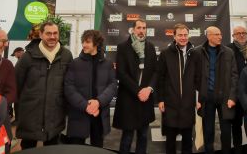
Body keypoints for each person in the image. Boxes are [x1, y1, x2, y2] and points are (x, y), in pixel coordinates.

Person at [15, 21, 73, 149]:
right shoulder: (27, 57)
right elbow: (16, 84)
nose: (52, 36)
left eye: (55, 33)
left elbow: (70, 85)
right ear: (41, 34)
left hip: (55, 115)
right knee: (28, 148)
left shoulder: (66, 56)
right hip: (30, 115)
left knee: (52, 148)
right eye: (48, 33)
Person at [64, 30, 117, 147]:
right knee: (76, 148)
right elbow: (69, 87)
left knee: (97, 147)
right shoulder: (74, 63)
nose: (84, 45)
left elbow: (112, 85)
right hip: (79, 113)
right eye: (83, 41)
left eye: (87, 42)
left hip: (99, 114)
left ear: (97, 44)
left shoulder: (108, 64)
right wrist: (86, 105)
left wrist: (98, 102)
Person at [113, 19, 158, 154]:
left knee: (143, 136)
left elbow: (156, 71)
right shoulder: (122, 47)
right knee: (127, 136)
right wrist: (139, 91)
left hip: (146, 99)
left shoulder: (150, 47)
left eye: (144, 28)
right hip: (129, 98)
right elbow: (121, 73)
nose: (141, 31)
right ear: (133, 30)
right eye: (139, 28)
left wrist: (148, 89)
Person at [157, 24, 200, 154]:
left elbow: (199, 79)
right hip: (170, 104)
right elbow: (160, 78)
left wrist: (199, 99)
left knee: (187, 140)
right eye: (180, 35)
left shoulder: (195, 53)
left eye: (185, 35)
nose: (183, 38)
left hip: (188, 104)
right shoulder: (165, 53)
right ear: (174, 36)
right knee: (170, 141)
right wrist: (160, 99)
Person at [195, 26, 238, 154]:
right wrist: (196, 98)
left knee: (226, 131)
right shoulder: (197, 52)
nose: (220, 37)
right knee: (208, 130)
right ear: (208, 36)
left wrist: (232, 97)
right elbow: (193, 77)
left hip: (225, 98)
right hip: (206, 97)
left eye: (220, 34)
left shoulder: (229, 52)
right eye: (216, 34)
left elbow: (234, 76)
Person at [226, 26, 247, 153]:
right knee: (236, 125)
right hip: (235, 94)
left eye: (244, 33)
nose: (241, 35)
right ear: (233, 36)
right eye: (238, 33)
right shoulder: (227, 49)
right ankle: (237, 150)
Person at [9, 47, 24, 125]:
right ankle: (17, 119)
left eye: (15, 54)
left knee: (19, 104)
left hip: (22, 88)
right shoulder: (20, 61)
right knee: (16, 103)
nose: (15, 56)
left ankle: (19, 120)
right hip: (18, 87)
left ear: (18, 52)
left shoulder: (24, 60)